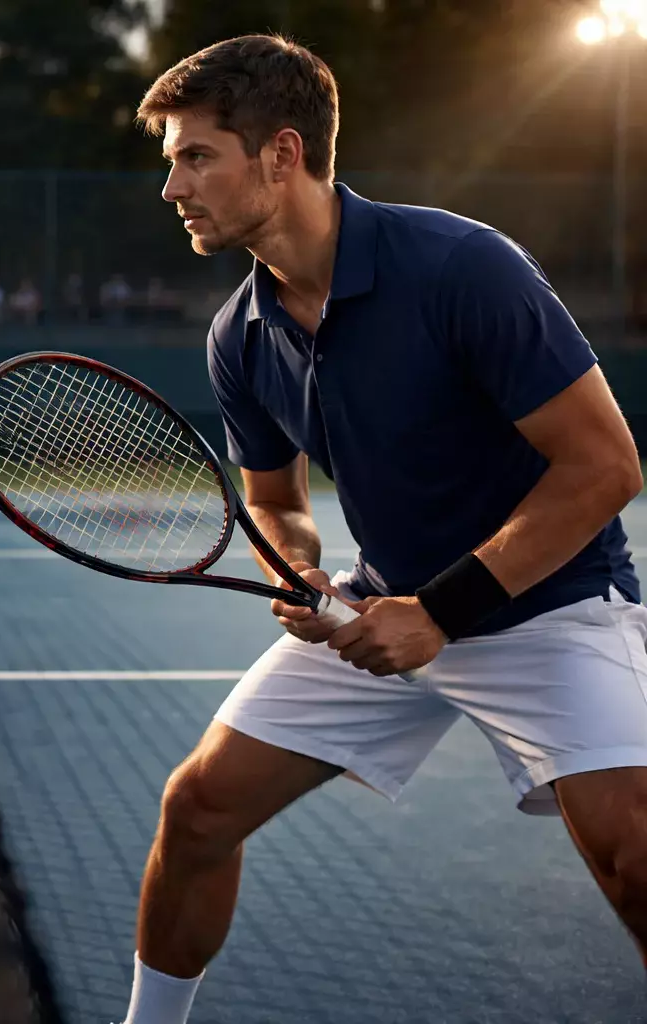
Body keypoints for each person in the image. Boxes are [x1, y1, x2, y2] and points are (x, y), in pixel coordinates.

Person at [118, 33, 647, 1024]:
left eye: (196, 156)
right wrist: (300, 563)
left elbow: (607, 466)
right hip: (392, 604)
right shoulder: (240, 333)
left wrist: (440, 610)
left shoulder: (460, 267)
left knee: (633, 852)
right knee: (197, 811)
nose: (171, 188)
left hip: (556, 605)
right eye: (170, 161)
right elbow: (274, 497)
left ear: (281, 154)